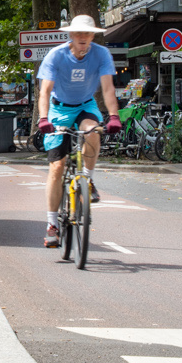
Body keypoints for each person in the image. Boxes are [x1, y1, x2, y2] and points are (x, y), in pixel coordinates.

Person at [36, 15, 120, 248]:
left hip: (85, 105)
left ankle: (88, 180)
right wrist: (43, 118)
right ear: (71, 35)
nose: (83, 37)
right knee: (57, 167)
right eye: (79, 33)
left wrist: (114, 116)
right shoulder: (56, 55)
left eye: (87, 33)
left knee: (93, 131)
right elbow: (45, 91)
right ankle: (52, 224)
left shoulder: (101, 54)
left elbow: (108, 88)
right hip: (59, 109)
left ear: (93, 36)